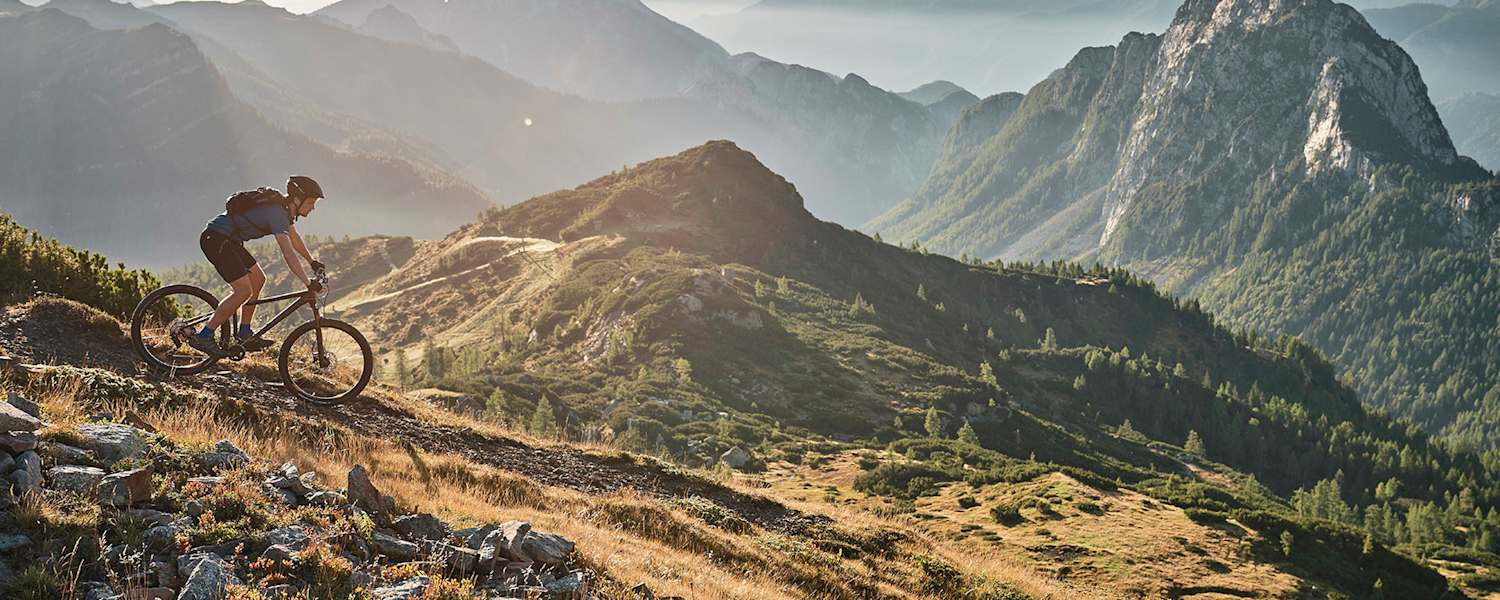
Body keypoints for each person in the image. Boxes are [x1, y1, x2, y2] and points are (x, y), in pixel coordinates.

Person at [189, 176, 326, 357]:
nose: (313, 207)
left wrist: (312, 262)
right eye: (310, 202)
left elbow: (295, 239)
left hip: (230, 241)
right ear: (297, 199)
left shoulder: (284, 212)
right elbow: (288, 252)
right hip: (216, 239)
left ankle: (244, 333)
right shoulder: (277, 214)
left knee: (258, 279)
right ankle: (204, 335)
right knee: (243, 291)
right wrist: (307, 282)